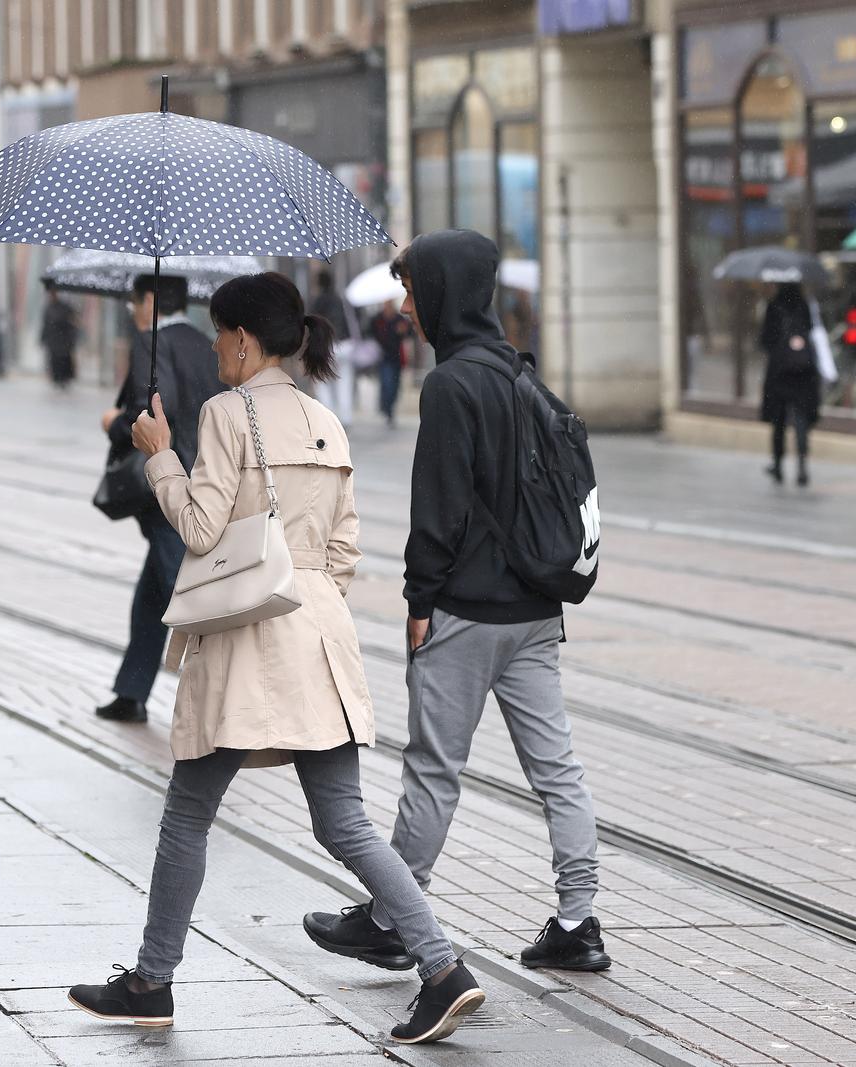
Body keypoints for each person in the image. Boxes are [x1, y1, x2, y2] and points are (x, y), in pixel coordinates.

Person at [68, 272, 485, 1045]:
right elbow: (345, 546)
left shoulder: (227, 413)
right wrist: (309, 595)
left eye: (224, 334)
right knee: (346, 823)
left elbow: (199, 528)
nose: (220, 347)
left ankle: (152, 981)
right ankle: (441, 966)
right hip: (320, 636)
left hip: (246, 639)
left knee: (188, 814)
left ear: (241, 340)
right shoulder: (327, 418)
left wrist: (161, 455)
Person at [302, 230, 610, 974]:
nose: (407, 305)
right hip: (537, 610)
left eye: (413, 289)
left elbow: (435, 512)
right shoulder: (521, 374)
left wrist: (419, 599)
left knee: (434, 771)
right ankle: (579, 920)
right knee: (557, 769)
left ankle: (390, 917)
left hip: (466, 613)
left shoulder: (449, 385)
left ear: (443, 290)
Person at [95, 274, 224, 723]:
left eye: (135, 301)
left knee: (183, 590)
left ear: (150, 300)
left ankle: (223, 698)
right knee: (152, 593)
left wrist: (113, 421)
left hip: (167, 489)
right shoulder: (205, 343)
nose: (132, 310)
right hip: (204, 479)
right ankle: (131, 692)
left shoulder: (151, 344)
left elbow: (149, 414)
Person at [758, 282, 821, 488]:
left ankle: (777, 465)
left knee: (779, 422)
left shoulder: (773, 306)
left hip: (779, 373)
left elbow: (765, 341)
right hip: (802, 373)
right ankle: (802, 466)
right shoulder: (804, 305)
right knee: (801, 421)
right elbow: (811, 332)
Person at [309, 269, 354, 425]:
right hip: (345, 345)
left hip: (326, 345)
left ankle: (329, 417)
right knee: (344, 382)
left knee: (323, 382)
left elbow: (313, 326)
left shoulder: (318, 301)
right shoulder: (340, 299)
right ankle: (346, 418)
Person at [370, 300, 410, 426]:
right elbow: (370, 332)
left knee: (395, 385)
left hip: (396, 357)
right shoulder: (377, 319)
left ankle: (389, 407)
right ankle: (386, 407)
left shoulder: (399, 319)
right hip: (383, 357)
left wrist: (403, 331)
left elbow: (409, 333)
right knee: (386, 383)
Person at [41, 286, 80, 388]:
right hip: (53, 340)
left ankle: (64, 378)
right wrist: (43, 338)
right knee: (55, 360)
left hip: (63, 340)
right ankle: (56, 378)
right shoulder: (48, 308)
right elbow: (45, 325)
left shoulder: (65, 307)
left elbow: (73, 322)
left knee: (63, 360)